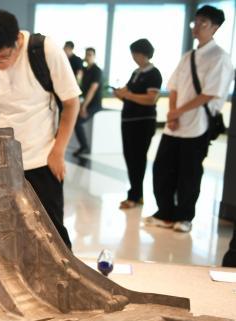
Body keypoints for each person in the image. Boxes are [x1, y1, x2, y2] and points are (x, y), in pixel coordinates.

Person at [0, 10, 81, 249]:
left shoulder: (44, 51)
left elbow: (71, 103)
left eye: (3, 57)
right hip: (1, 164)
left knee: (52, 237)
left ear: (18, 40)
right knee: (6, 235)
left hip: (42, 160)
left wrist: (58, 152)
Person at [144, 5, 233, 233]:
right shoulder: (188, 57)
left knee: (189, 173)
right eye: (196, 21)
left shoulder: (220, 58)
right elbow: (173, 86)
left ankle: (184, 217)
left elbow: (209, 94)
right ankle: (165, 213)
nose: (197, 26)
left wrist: (179, 112)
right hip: (175, 125)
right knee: (162, 169)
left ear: (215, 28)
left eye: (204, 23)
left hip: (198, 125)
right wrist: (173, 113)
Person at [113, 39, 162, 210]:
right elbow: (126, 92)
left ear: (144, 53)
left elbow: (151, 99)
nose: (134, 57)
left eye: (135, 53)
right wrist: (120, 94)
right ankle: (136, 194)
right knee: (129, 157)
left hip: (143, 123)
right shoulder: (136, 72)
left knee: (138, 158)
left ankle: (134, 196)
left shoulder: (154, 73)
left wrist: (128, 96)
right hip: (128, 121)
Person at [73, 47, 102, 156]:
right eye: (86, 54)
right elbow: (79, 86)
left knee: (77, 122)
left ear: (94, 56)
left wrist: (84, 106)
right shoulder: (84, 70)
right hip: (85, 102)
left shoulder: (97, 70)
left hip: (94, 104)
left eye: (90, 54)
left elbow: (92, 90)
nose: (88, 57)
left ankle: (84, 147)